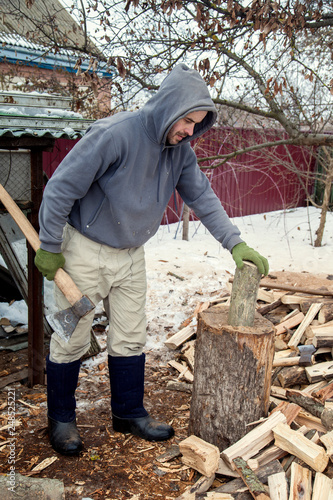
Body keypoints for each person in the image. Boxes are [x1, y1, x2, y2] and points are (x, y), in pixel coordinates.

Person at [35, 63, 269, 456]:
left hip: (130, 255)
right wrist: (49, 244)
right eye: (188, 121)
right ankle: (61, 419)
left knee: (130, 334)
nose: (190, 131)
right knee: (71, 335)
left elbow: (203, 198)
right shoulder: (114, 134)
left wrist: (235, 243)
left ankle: (127, 413)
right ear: (170, 107)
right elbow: (61, 188)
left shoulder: (179, 153)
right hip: (84, 252)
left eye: (197, 124)